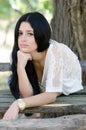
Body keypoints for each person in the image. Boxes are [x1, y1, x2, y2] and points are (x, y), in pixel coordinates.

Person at [3, 11, 83, 120]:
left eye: (30, 34)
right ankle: (34, 116)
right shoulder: (18, 55)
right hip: (41, 90)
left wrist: (18, 103)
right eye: (20, 33)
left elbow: (50, 96)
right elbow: (28, 96)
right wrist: (20, 67)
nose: (23, 38)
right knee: (12, 80)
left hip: (66, 90)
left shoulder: (55, 51)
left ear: (40, 35)